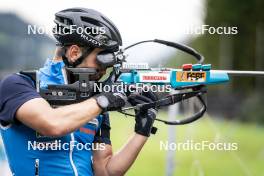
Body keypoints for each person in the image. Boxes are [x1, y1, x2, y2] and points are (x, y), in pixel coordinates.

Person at [0, 8, 157, 176]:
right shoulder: (19, 85)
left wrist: (142, 130)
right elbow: (52, 124)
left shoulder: (94, 102)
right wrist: (103, 99)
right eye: (100, 63)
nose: (104, 72)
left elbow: (105, 171)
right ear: (74, 53)